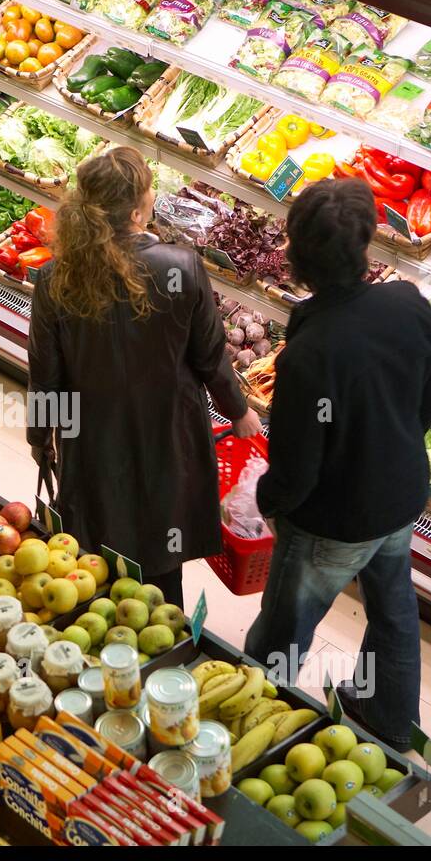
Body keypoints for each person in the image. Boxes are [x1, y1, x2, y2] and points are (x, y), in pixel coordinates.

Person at [244, 177, 431, 752]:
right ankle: (388, 717)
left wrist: (268, 502)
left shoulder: (311, 352)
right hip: (401, 496)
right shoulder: (409, 304)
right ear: (366, 247)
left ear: (296, 256)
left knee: (285, 627)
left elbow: (299, 464)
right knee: (393, 610)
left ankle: (254, 730)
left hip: (334, 519)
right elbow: (425, 401)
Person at [27, 146, 261, 608]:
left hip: (91, 432)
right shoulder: (180, 267)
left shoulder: (55, 277)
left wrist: (42, 437)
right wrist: (238, 411)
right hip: (169, 432)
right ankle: (164, 639)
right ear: (137, 209)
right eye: (151, 189)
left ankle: (101, 628)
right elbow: (210, 356)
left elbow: (46, 377)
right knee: (161, 545)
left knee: (96, 538)